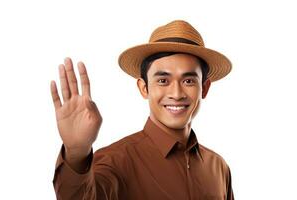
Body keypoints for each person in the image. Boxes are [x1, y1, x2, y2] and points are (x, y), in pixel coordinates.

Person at [50, 20, 234, 200]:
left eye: (188, 81)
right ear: (144, 88)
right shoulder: (115, 161)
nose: (176, 94)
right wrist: (76, 152)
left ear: (205, 87)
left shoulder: (219, 167)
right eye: (163, 81)